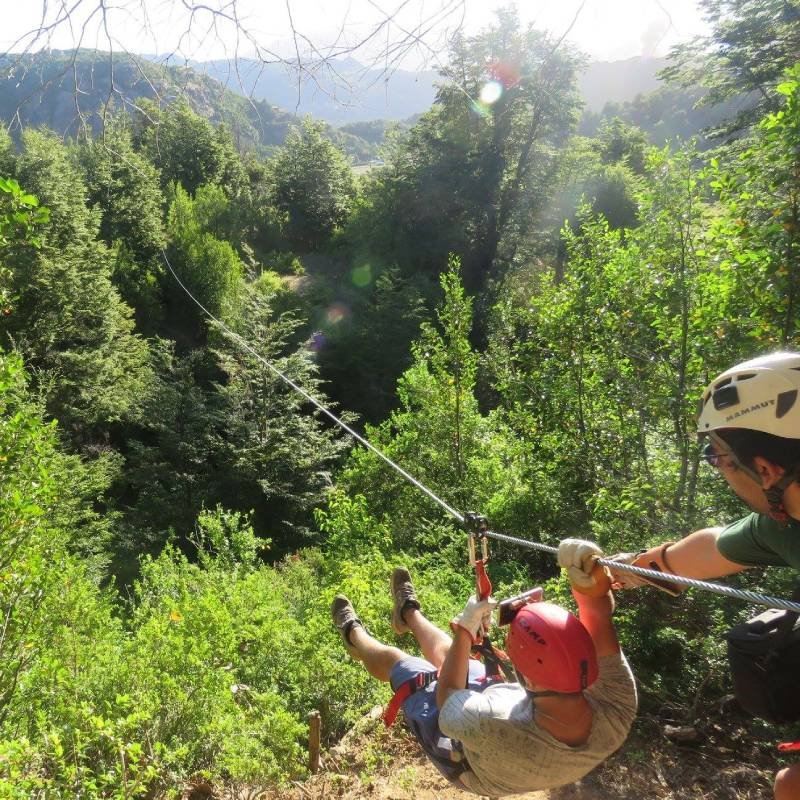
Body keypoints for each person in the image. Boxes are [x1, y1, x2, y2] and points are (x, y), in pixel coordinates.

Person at [607, 352, 800, 800]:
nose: (718, 469)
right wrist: (626, 569)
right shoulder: (784, 526)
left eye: (720, 459)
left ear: (767, 470)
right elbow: (711, 548)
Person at [331, 541, 637, 796]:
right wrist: (588, 580)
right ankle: (408, 613)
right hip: (516, 724)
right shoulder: (616, 704)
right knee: (451, 654)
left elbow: (448, 694)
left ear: (526, 678)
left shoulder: (491, 723)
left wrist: (466, 627)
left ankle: (353, 635)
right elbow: (598, 616)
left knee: (403, 665)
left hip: (467, 761)